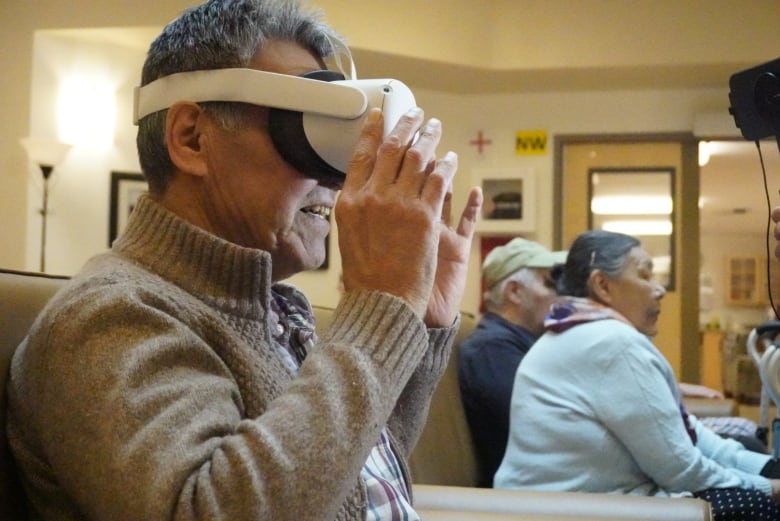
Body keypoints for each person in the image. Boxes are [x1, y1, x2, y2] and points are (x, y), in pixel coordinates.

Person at [6, 1, 482, 520]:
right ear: (191, 138)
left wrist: (419, 322)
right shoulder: (109, 318)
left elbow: (344, 485)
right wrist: (380, 307)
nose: (337, 177)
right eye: (305, 132)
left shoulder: (273, 310)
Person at [494, 230, 780, 520]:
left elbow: (679, 430)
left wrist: (764, 468)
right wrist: (769, 487)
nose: (659, 290)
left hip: (566, 501)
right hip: (572, 510)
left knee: (753, 464)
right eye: (645, 276)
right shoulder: (611, 342)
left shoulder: (576, 329)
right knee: (756, 505)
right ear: (602, 285)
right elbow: (680, 470)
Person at [457, 238, 565, 487]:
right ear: (514, 291)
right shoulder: (491, 350)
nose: (560, 295)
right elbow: (547, 429)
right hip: (524, 499)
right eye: (550, 281)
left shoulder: (523, 345)